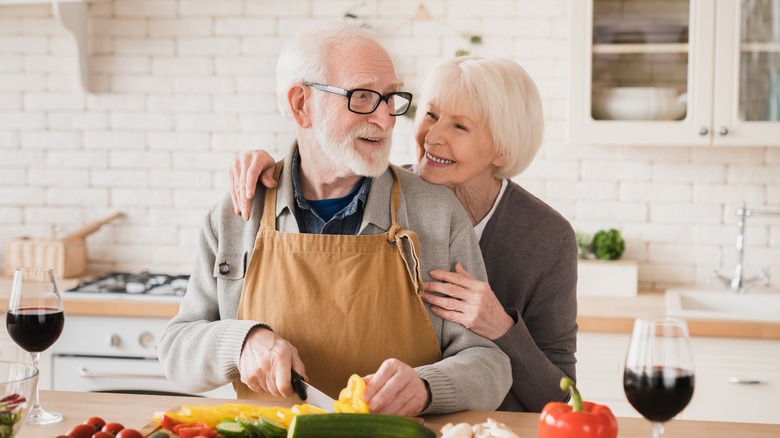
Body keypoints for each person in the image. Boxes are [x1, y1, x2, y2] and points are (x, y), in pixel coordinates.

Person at [158, 23, 511, 417]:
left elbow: (489, 363)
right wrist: (241, 343)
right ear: (300, 105)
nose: (386, 119)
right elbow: (176, 350)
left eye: (390, 97)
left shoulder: (437, 213)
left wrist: (428, 387)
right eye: (362, 97)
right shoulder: (237, 214)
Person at [229, 56, 578, 412]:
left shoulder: (549, 238)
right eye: (431, 115)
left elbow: (560, 396)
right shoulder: (380, 191)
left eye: (460, 127)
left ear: (502, 148)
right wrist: (270, 168)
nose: (433, 137)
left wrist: (502, 327)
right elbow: (321, 162)